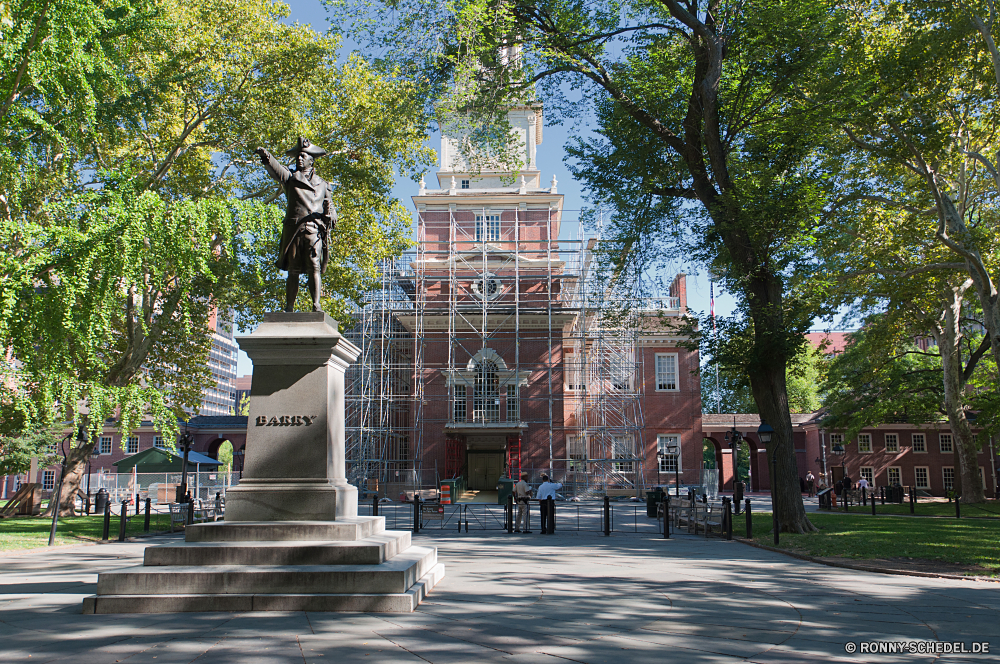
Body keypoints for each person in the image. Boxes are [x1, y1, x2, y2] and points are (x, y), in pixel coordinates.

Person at [256, 137, 336, 312]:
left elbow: (330, 208)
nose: (299, 159)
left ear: (311, 160)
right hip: (294, 230)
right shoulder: (291, 178)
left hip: (313, 229)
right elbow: (277, 170)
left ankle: (316, 305)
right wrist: (267, 157)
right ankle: (289, 307)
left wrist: (331, 217)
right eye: (297, 156)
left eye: (303, 156)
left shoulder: (323, 184)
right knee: (293, 269)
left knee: (314, 266)